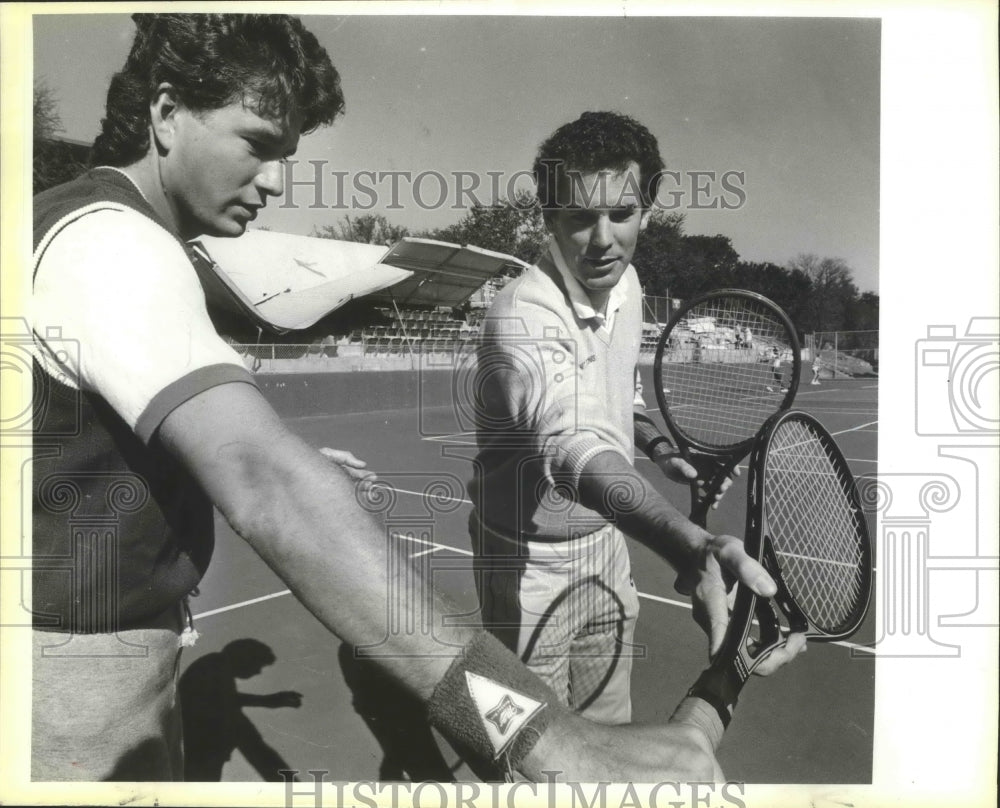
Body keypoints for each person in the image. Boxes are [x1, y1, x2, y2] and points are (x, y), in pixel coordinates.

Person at [29, 14, 745, 783]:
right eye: (258, 144)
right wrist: (554, 741)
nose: (275, 181)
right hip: (74, 683)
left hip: (108, 657)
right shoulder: (111, 245)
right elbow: (274, 491)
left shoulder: (103, 231)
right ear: (167, 114)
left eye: (288, 156)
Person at [468, 112, 804, 726]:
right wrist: (689, 545)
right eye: (578, 217)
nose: (603, 239)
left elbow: (618, 394)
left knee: (610, 729)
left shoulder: (629, 284)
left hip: (605, 544)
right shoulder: (522, 315)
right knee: (530, 751)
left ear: (646, 213)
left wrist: (660, 450)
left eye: (621, 214)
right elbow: (570, 445)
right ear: (547, 219)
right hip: (525, 561)